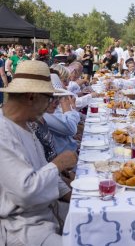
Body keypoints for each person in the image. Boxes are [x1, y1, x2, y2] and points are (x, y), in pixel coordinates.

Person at [0, 60, 78, 245]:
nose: (52, 104)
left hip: (48, 214)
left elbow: (44, 171)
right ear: (31, 97)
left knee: (96, 224)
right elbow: (25, 191)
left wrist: (75, 195)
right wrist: (58, 163)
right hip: (23, 229)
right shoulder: (3, 132)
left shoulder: (28, 125)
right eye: (50, 98)